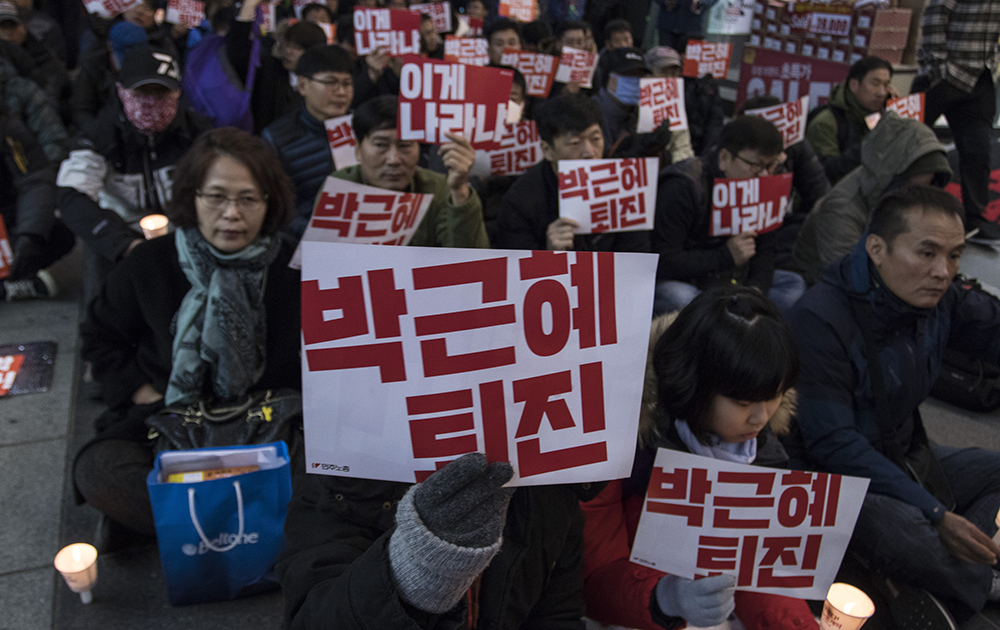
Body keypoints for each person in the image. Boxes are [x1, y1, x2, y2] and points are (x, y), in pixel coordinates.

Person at [74, 127, 301, 544]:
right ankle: (254, 524)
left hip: (271, 426)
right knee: (100, 470)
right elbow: (99, 336)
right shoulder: (151, 263)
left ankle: (183, 525)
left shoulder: (294, 267)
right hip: (173, 421)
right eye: (216, 197)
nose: (232, 213)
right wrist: (141, 390)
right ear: (192, 197)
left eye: (248, 198)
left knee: (336, 471)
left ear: (268, 203)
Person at [784, 185, 1000, 624]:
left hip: (904, 456)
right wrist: (935, 513)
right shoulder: (819, 317)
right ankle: (970, 575)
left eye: (956, 255)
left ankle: (958, 574)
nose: (944, 271)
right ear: (877, 249)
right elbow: (834, 446)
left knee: (990, 473)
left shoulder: (938, 299)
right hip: (833, 482)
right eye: (927, 253)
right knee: (908, 530)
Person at [583, 286, 819, 630]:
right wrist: (665, 597)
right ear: (693, 385)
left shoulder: (761, 451)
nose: (761, 417)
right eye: (742, 403)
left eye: (774, 396)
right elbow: (591, 576)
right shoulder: (621, 445)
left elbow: (761, 574)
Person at [278, 448, 599, 628]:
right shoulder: (342, 470)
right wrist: (420, 567)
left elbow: (556, 617)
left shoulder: (552, 491)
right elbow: (313, 621)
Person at [56, 46, 210, 301]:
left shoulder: (197, 134)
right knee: (97, 254)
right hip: (122, 237)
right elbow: (71, 196)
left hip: (186, 231)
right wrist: (123, 244)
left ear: (178, 93)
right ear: (121, 91)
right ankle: (98, 328)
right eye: (142, 92)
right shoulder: (99, 138)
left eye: (162, 92)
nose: (152, 102)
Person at [652, 115, 805, 315]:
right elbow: (663, 260)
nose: (764, 175)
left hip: (732, 281)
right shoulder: (684, 186)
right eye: (755, 165)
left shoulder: (763, 185)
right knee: (682, 298)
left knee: (793, 285)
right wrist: (725, 256)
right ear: (724, 158)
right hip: (685, 281)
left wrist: (755, 290)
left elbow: (766, 249)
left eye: (770, 166)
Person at [792, 112, 951, 286]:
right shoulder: (842, 208)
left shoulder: (883, 183)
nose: (921, 195)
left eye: (928, 185)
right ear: (898, 178)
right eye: (914, 187)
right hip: (826, 285)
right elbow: (852, 276)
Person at [492, 93, 649, 253]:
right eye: (575, 143)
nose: (589, 152)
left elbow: (637, 256)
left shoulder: (625, 185)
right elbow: (515, 271)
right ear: (547, 150)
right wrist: (548, 253)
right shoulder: (521, 201)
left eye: (595, 139)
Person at [326, 95, 488, 248]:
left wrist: (459, 192)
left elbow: (471, 262)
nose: (394, 159)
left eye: (404, 146)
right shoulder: (339, 187)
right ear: (358, 151)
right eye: (380, 145)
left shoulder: (441, 190)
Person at [914, 0, 1000, 241]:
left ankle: (975, 218)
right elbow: (933, 18)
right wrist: (938, 70)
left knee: (979, 149)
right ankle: (880, 204)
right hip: (945, 76)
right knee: (905, 141)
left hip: (980, 76)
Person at [262, 44, 354, 239]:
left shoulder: (364, 128)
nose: (341, 92)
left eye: (347, 83)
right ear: (302, 85)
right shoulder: (277, 138)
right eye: (331, 82)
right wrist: (317, 232)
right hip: (305, 244)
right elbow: (275, 207)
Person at [739, 95, 830, 269]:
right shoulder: (731, 150)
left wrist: (778, 170)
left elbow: (820, 197)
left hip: (776, 231)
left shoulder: (796, 145)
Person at [0, 102, 74, 300]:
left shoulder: (6, 124)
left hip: (6, 221)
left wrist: (30, 234)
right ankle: (9, 289)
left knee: (57, 234)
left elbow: (34, 179)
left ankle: (13, 279)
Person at [805, 56, 893, 185]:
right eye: (875, 84)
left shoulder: (883, 116)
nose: (882, 93)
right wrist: (868, 146)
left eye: (886, 85)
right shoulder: (826, 122)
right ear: (854, 85)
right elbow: (825, 173)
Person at [593, 47, 671, 160]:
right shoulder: (591, 113)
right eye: (628, 75)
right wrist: (639, 150)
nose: (635, 81)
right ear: (610, 77)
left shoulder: (644, 114)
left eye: (640, 76)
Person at [643, 45, 694, 164]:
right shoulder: (632, 101)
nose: (669, 78)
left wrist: (669, 162)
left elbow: (683, 148)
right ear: (647, 73)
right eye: (663, 72)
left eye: (673, 73)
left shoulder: (675, 105)